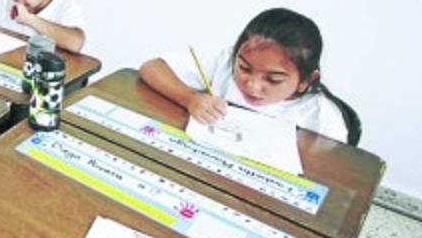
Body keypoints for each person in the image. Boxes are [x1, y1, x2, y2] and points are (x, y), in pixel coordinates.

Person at [137, 7, 352, 143]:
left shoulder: (322, 118)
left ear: (306, 81)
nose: (252, 85)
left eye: (273, 79)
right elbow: (152, 67)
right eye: (245, 68)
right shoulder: (224, 63)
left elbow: (333, 180)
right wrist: (190, 98)